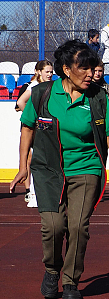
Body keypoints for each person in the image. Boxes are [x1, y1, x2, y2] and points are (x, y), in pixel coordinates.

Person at [9, 39, 109, 299]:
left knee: (77, 227)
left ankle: (71, 280)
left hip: (86, 168)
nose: (90, 74)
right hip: (48, 169)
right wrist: (23, 167)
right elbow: (27, 128)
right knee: (53, 227)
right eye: (84, 68)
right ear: (66, 69)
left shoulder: (98, 97)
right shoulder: (43, 94)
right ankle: (52, 270)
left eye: (92, 68)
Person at [15, 60, 55, 208]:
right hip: (34, 126)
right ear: (38, 72)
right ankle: (32, 193)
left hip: (42, 126)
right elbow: (20, 102)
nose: (50, 74)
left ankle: (37, 193)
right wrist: (34, 117)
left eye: (51, 72)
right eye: (47, 71)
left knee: (40, 158)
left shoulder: (49, 85)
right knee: (35, 158)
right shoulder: (34, 87)